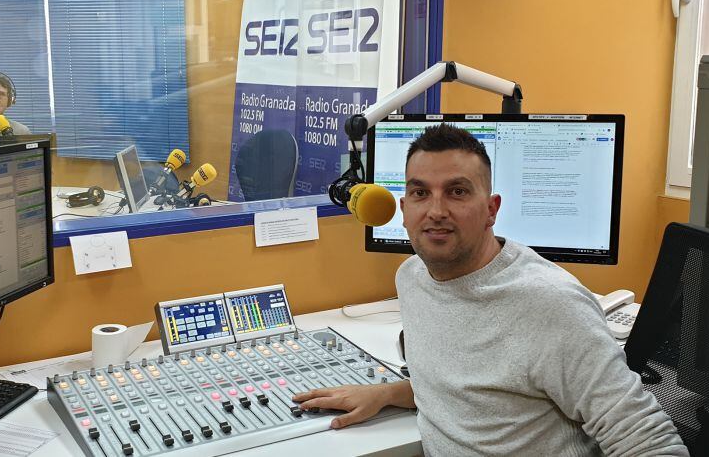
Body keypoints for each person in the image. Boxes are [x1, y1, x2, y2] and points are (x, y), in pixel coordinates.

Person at [293, 123, 686, 455]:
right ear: (404, 206)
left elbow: (651, 443)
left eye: (457, 191)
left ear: (492, 208)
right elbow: (469, 386)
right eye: (420, 193)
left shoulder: (550, 304)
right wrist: (388, 393)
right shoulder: (412, 276)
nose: (435, 211)